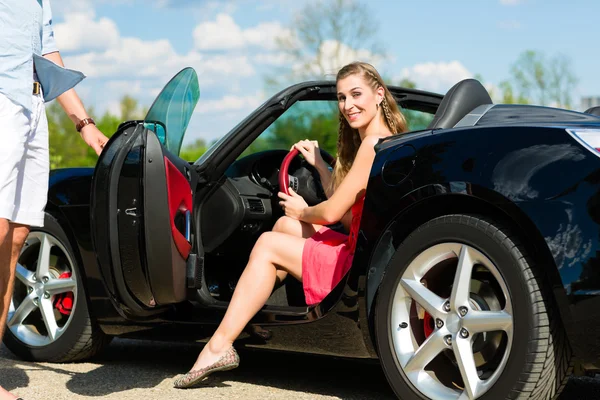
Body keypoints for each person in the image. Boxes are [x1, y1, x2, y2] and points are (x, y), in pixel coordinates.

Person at [173, 61, 407, 389]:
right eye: (341, 98)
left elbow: (329, 214)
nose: (348, 105)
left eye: (356, 94)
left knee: (269, 242)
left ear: (379, 93)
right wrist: (320, 168)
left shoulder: (371, 145)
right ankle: (260, 320)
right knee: (282, 226)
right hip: (366, 251)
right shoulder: (390, 139)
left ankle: (218, 346)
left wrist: (303, 210)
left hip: (353, 263)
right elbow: (348, 215)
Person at [0, 1, 108, 399]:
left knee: (15, 238)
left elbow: (47, 51)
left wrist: (85, 125)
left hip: (32, 104)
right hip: (1, 100)